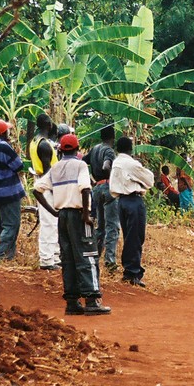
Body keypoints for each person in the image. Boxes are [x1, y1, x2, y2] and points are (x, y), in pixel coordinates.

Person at [34, 133, 110, 315]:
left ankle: (72, 302)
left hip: (63, 216)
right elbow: (85, 189)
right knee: (87, 255)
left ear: (60, 150)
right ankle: (92, 300)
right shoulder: (80, 165)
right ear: (77, 150)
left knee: (67, 258)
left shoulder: (55, 168)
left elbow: (37, 190)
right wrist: (86, 215)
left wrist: (53, 211)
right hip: (78, 214)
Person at [109, 136, 155, 287]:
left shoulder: (116, 162)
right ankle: (133, 272)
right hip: (134, 200)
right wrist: (140, 181)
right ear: (131, 148)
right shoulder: (131, 163)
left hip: (121, 201)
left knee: (129, 235)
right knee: (135, 237)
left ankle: (129, 270)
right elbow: (149, 180)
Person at [0, 120, 26, 262]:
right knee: (12, 225)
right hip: (8, 192)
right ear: (4, 132)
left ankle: (9, 256)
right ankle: (0, 255)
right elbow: (18, 165)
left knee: (2, 224)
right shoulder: (4, 147)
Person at [85, 124, 119, 271]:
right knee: (112, 226)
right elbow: (106, 166)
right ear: (113, 137)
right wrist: (114, 178)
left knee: (101, 226)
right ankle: (110, 261)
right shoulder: (109, 151)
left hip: (97, 189)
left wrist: (90, 179)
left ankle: (95, 256)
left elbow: (81, 162)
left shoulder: (94, 149)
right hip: (107, 187)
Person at [29, 114, 61, 270]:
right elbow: (49, 171)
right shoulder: (44, 145)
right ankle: (47, 260)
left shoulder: (36, 141)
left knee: (52, 222)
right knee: (49, 223)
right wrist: (55, 189)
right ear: (48, 125)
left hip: (41, 181)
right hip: (47, 184)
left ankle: (54, 255)